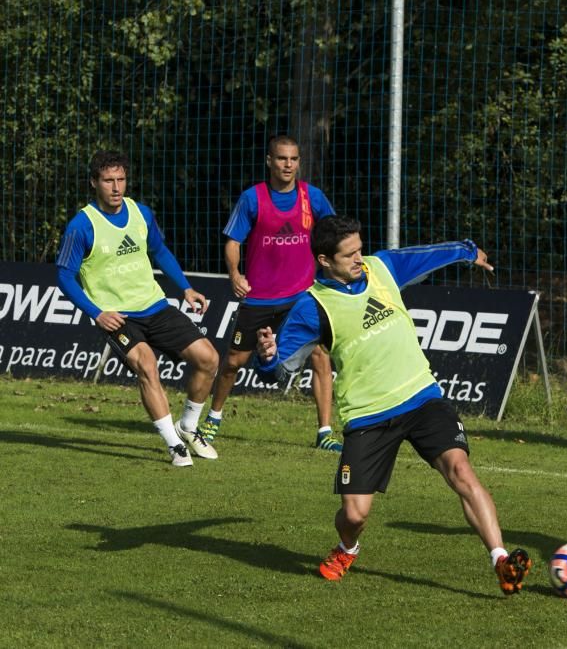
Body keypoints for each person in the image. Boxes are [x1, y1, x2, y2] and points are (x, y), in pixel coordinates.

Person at [255, 215, 532, 594]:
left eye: (359, 249)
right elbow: (278, 367)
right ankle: (347, 548)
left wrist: (467, 251)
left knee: (461, 472)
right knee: (354, 514)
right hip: (368, 417)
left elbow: (426, 255)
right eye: (349, 254)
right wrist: (267, 356)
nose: (359, 259)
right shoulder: (312, 307)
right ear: (324, 261)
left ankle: (500, 559)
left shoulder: (380, 267)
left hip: (422, 397)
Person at [56, 150, 220, 467]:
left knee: (209, 358)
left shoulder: (140, 213)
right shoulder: (82, 226)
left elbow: (159, 251)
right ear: (94, 183)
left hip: (154, 306)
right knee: (147, 365)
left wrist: (184, 287)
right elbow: (64, 275)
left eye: (121, 179)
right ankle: (175, 446)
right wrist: (97, 313)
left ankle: (187, 427)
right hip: (117, 316)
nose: (116, 187)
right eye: (108, 180)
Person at [202, 135, 339, 452]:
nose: (287, 165)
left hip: (302, 298)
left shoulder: (312, 197)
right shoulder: (252, 198)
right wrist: (235, 274)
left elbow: (333, 234)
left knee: (320, 356)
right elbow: (233, 241)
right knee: (234, 362)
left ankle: (325, 432)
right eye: (281, 159)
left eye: (293, 159)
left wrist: (334, 269)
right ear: (269, 161)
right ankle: (212, 419)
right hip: (259, 299)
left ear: (299, 162)